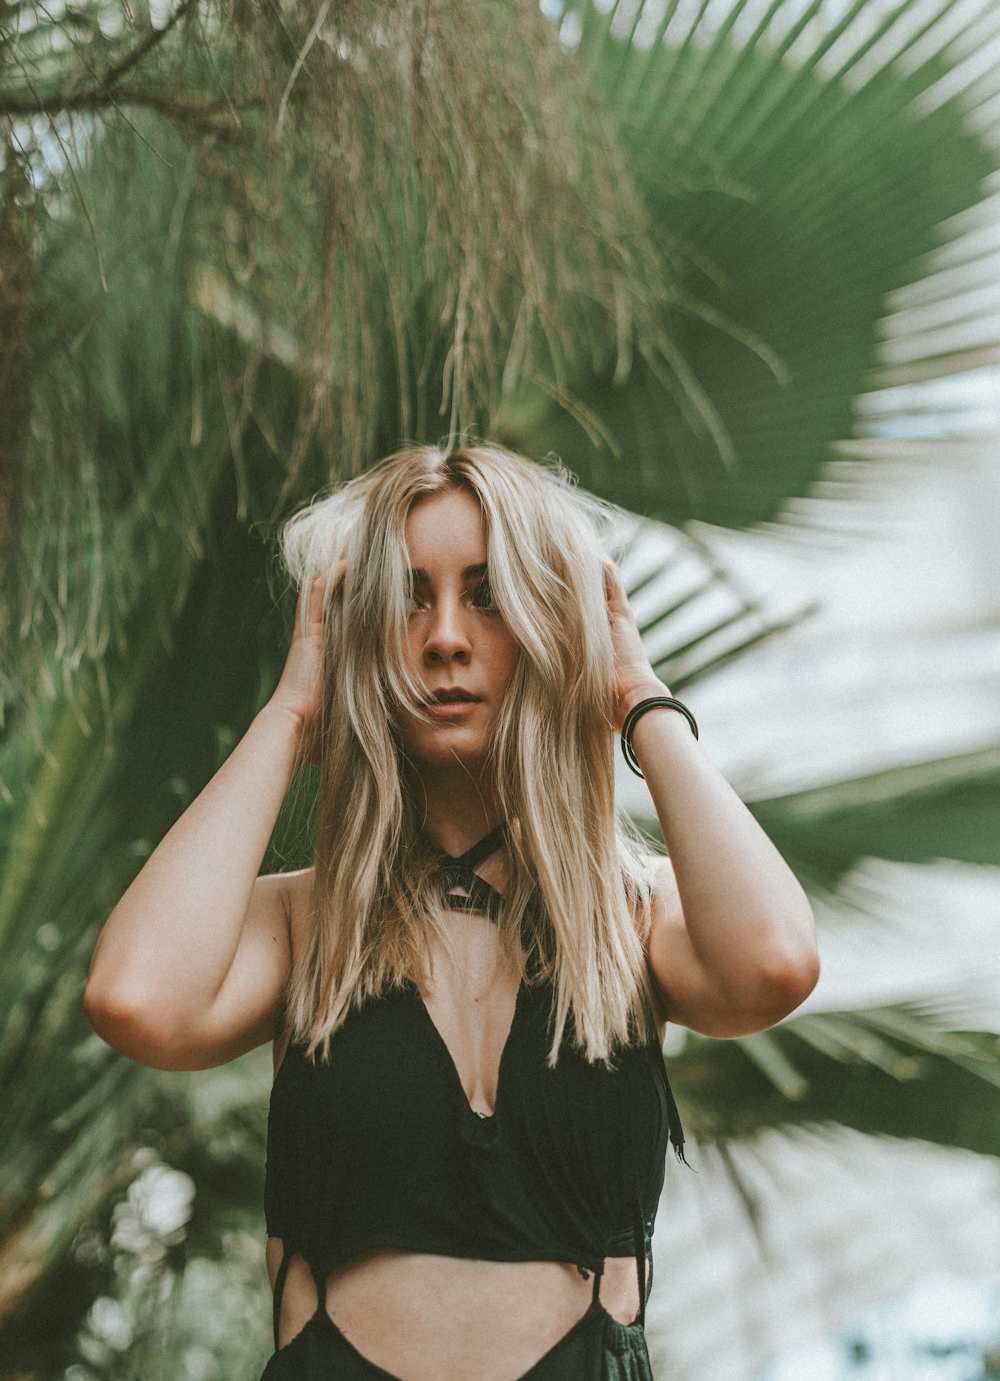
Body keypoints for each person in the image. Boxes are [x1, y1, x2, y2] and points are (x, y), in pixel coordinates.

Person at [84, 442, 820, 1381]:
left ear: (555, 627)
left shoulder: (629, 923)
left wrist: (636, 695)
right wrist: (294, 712)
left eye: (488, 595)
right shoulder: (308, 925)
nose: (443, 637)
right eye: (405, 597)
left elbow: (773, 965)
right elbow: (135, 1000)